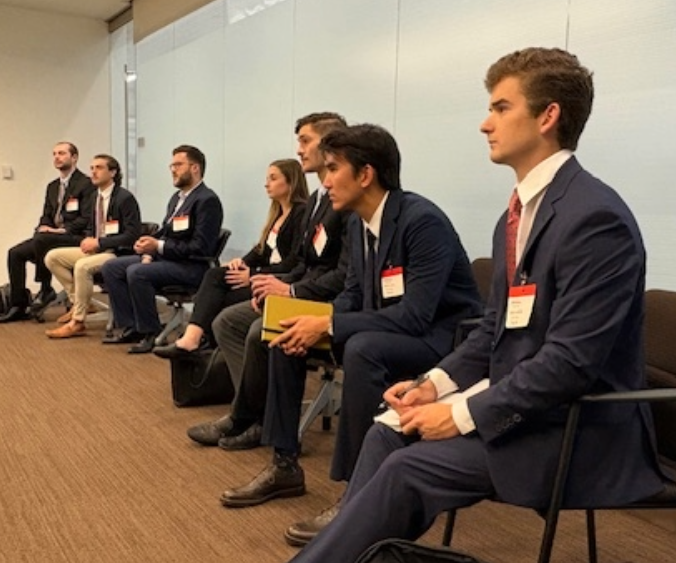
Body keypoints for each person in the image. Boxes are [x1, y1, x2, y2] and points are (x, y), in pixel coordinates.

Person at [286, 47, 665, 563]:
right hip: (521, 405)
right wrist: (432, 386)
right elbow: (493, 331)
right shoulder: (518, 214)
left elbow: (570, 365)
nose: (486, 123)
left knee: (406, 470)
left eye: (501, 107)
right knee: (385, 433)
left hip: (573, 427)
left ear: (548, 116)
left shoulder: (595, 219)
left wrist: (461, 413)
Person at [219, 124, 482, 515]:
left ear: (365, 174)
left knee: (362, 348)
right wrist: (314, 318)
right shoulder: (360, 223)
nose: (324, 183)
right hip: (385, 325)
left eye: (332, 170)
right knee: (283, 332)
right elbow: (353, 296)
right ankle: (284, 463)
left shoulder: (422, 221)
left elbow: (415, 315)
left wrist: (327, 324)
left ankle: (359, 492)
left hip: (440, 337)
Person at [185, 112, 349, 449]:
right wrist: (274, 285)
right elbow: (303, 262)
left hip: (327, 302)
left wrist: (287, 288)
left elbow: (343, 275)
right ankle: (252, 413)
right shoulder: (319, 200)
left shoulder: (342, 202)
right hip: (303, 289)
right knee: (228, 321)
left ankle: (249, 418)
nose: (299, 150)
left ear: (331, 144)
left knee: (257, 329)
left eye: (305, 141)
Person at [153, 158, 309, 358]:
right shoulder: (277, 213)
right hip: (263, 275)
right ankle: (198, 342)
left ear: (291, 182)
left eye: (273, 178)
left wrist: (252, 274)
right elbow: (261, 250)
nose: (266, 183)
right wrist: (242, 262)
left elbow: (294, 262)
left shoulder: (301, 213)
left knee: (219, 297)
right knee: (215, 276)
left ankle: (199, 342)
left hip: (279, 281)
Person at [101, 145, 223, 354]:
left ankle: (150, 332)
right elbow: (166, 232)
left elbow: (201, 247)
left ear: (195, 168)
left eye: (178, 165)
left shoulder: (207, 200)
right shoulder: (177, 199)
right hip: (169, 260)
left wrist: (157, 247)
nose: (172, 170)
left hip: (193, 266)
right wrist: (148, 246)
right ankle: (132, 326)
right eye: (171, 165)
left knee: (137, 272)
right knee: (112, 267)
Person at [43, 154, 142, 338]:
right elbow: (92, 226)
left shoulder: (124, 198)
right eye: (91, 168)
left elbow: (131, 236)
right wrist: (88, 239)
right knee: (52, 257)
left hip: (117, 253)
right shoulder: (95, 197)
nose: (93, 172)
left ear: (112, 172)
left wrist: (99, 243)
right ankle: (81, 303)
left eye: (99, 168)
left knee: (82, 266)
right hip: (98, 249)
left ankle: (78, 322)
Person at [0, 142, 94, 323]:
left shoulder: (86, 184)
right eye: (55, 154)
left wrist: (59, 230)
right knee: (15, 253)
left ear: (74, 158)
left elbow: (87, 218)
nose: (57, 157)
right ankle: (18, 305)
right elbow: (47, 215)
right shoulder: (52, 186)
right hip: (50, 237)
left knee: (42, 240)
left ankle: (45, 287)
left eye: (62, 153)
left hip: (76, 236)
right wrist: (43, 226)